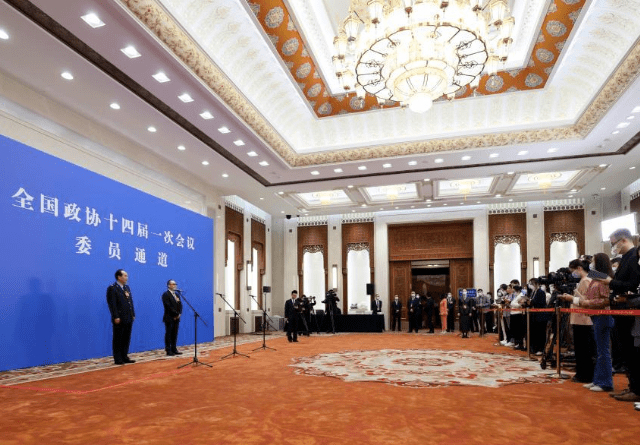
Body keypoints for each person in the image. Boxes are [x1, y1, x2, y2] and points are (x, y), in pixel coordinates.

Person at [560, 253, 615, 392]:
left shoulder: (604, 278)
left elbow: (605, 299)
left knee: (602, 352)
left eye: (593, 261)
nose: (590, 264)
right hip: (595, 315)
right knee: (599, 351)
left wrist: (580, 301)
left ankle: (605, 382)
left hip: (602, 315)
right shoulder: (595, 277)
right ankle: (597, 379)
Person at [600, 229, 640, 402]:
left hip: (629, 311)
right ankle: (633, 386)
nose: (613, 247)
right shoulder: (626, 258)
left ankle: (637, 389)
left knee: (632, 352)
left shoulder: (634, 257)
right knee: (626, 351)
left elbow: (632, 285)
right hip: (621, 310)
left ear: (623, 240)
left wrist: (611, 282)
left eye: (613, 244)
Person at [565, 259, 595, 384]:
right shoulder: (583, 281)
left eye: (573, 270)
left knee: (584, 350)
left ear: (579, 268)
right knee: (580, 349)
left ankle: (585, 375)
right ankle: (582, 373)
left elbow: (588, 301)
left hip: (584, 320)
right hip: (579, 318)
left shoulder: (586, 281)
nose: (573, 274)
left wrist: (572, 298)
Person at [106, 269, 136, 365]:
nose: (127, 277)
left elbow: (130, 302)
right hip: (119, 317)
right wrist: (116, 316)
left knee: (126, 338)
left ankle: (124, 356)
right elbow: (112, 304)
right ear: (119, 277)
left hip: (128, 317)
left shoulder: (127, 288)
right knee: (118, 338)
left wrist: (133, 314)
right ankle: (118, 358)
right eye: (125, 276)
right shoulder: (112, 288)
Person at [162, 279, 183, 356]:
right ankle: (168, 350)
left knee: (175, 333)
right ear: (169, 285)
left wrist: (179, 314)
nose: (174, 286)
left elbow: (180, 305)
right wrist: (175, 314)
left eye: (175, 284)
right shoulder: (166, 294)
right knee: (169, 334)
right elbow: (168, 306)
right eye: (173, 284)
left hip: (177, 318)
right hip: (169, 317)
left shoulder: (177, 294)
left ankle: (174, 348)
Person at [529, 278, 548, 355]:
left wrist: (531, 302)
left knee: (540, 332)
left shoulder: (541, 292)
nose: (531, 285)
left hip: (540, 315)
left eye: (532, 283)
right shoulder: (533, 292)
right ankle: (534, 348)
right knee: (534, 332)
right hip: (534, 315)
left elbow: (541, 303)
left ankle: (541, 349)